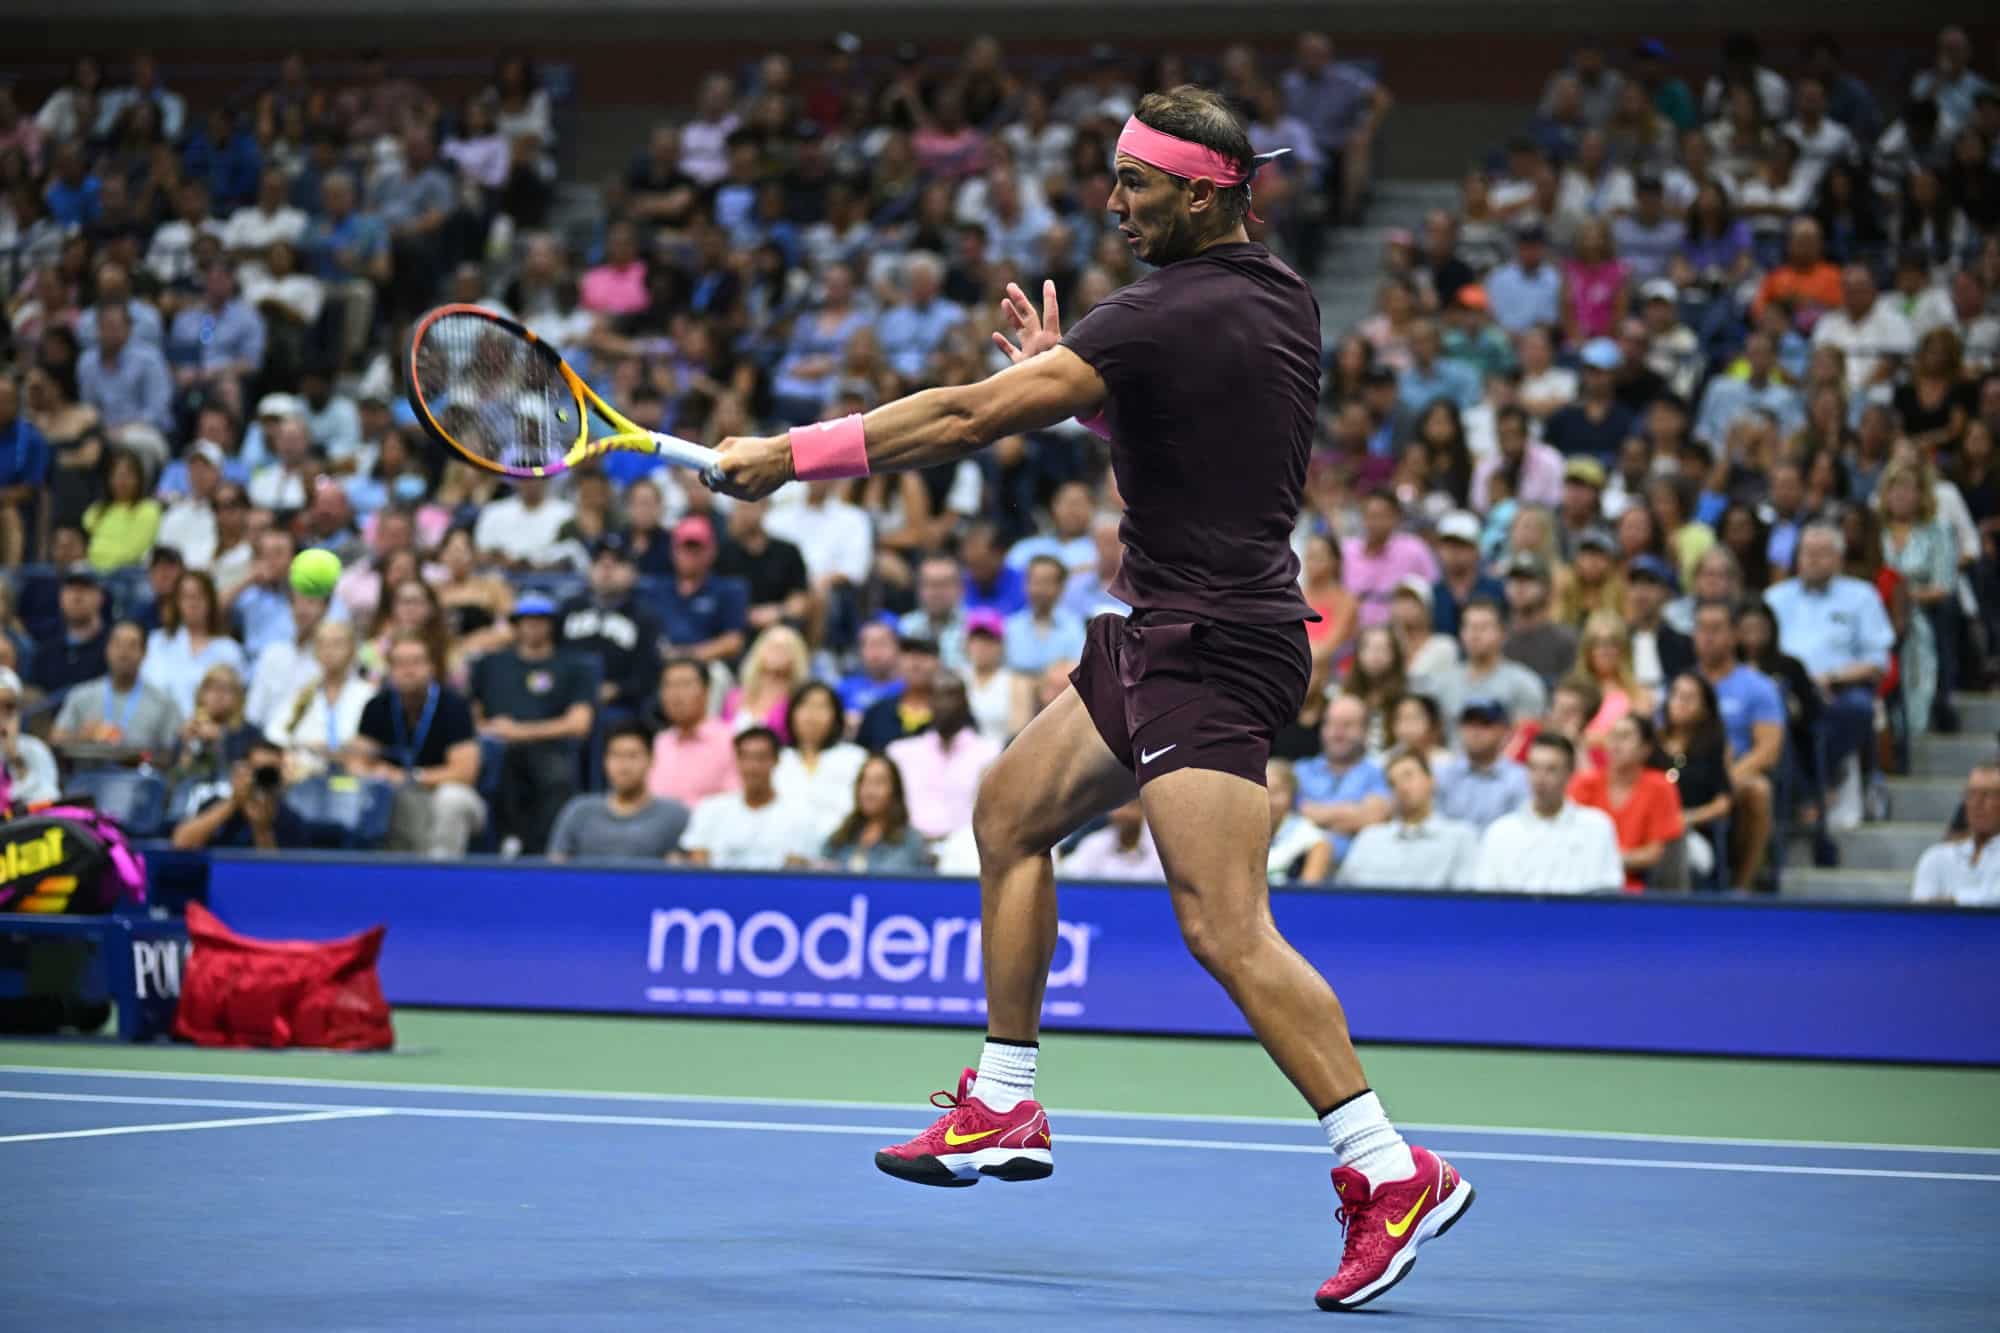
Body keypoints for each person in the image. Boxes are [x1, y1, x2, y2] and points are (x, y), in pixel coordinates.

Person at [707, 85, 1472, 1302]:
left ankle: (1386, 1168)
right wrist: (1090, 391)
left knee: (1224, 926)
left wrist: (789, 455)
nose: (1114, 204)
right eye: (1113, 178)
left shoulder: (1156, 314)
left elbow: (962, 416)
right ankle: (1002, 1102)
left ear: (1206, 191)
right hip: (1165, 626)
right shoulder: (1273, 291)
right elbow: (1196, 438)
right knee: (1010, 811)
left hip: (1212, 644)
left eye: (1138, 185)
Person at [1763, 523, 1894, 838]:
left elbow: (1878, 661)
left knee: (1860, 709)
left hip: (1835, 691)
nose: (1813, 560)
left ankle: (1807, 791)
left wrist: (1833, 677)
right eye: (1807, 552)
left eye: (1822, 553)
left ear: (1838, 558)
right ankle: (1814, 793)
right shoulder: (1775, 597)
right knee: (1772, 711)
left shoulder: (1861, 596)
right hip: (1784, 689)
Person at [470, 596, 594, 856]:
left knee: (555, 775)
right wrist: (488, 730)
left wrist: (521, 732)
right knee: (493, 767)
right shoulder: (491, 664)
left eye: (540, 621)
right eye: (526, 621)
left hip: (552, 749)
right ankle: (502, 846)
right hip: (498, 749)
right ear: (516, 625)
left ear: (551, 625)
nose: (533, 628)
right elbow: (473, 714)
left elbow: (579, 723)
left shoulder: (574, 666)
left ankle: (549, 851)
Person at [350, 631, 486, 857]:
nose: (408, 670)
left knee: (451, 798)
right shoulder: (377, 706)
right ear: (389, 669)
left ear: (431, 667)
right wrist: (374, 773)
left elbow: (465, 773)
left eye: (416, 662)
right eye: (400, 663)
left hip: (446, 795)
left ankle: (441, 877)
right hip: (397, 796)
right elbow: (356, 761)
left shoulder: (454, 705)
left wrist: (411, 777)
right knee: (375, 796)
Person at [1690, 601, 1785, 889]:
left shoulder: (1757, 686)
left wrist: (1727, 778)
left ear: (1734, 635)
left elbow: (1769, 750)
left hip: (1735, 774)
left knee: (1759, 790)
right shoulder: (1683, 683)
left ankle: (1741, 886)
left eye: (1716, 629)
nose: (1707, 636)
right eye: (1701, 629)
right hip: (1685, 773)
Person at [1471, 734, 1624, 893]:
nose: (1540, 778)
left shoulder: (1597, 827)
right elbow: (1486, 897)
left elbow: (1607, 893)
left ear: (1570, 773)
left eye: (1551, 770)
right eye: (1533, 768)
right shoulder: (1500, 832)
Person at [1568, 714, 1686, 891]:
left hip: (1633, 890)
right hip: (1579, 882)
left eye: (1625, 737)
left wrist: (1606, 860)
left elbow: (1653, 854)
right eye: (1612, 736)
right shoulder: (1584, 783)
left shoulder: (1660, 787)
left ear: (1645, 749)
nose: (1616, 744)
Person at [547, 722, 691, 863]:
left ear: (651, 759)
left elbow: (684, 876)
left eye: (632, 756)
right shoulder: (579, 812)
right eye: (615, 755)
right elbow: (555, 867)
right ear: (604, 760)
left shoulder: (675, 816)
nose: (623, 766)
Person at [1336, 750, 1478, 890]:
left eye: (1408, 776)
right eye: (1392, 783)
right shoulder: (1369, 838)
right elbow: (1344, 895)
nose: (1401, 787)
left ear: (1431, 781)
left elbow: (1467, 901)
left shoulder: (1460, 836)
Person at [681, 726, 818, 869]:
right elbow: (699, 869)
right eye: (745, 757)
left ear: (776, 760)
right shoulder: (710, 809)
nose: (753, 766)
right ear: (737, 761)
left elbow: (793, 874)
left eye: (761, 758)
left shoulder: (799, 815)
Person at [886, 672, 1001, 841]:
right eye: (937, 697)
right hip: (909, 849)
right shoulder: (901, 753)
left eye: (952, 696)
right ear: (928, 703)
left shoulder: (990, 752)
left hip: (966, 850)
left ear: (966, 703)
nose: (944, 705)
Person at [51, 619, 181, 758]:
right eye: (117, 644)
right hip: (89, 774)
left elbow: (170, 753)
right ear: (107, 649)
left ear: (144, 653)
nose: (124, 653)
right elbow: (56, 739)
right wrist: (81, 737)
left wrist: (138, 757)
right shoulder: (81, 695)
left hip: (142, 776)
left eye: (132, 646)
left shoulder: (163, 702)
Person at [264, 619, 372, 781]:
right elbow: (276, 733)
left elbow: (370, 745)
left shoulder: (368, 694)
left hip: (353, 777)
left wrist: (335, 751)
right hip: (306, 778)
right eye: (322, 644)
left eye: (337, 644)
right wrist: (294, 752)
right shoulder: (303, 694)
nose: (329, 651)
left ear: (352, 650)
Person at [1424, 598, 1547, 736]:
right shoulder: (1440, 684)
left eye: (1483, 627)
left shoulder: (1524, 684)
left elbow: (1525, 738)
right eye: (1468, 626)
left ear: (1503, 633)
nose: (1474, 634)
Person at [1657, 672, 1735, 889]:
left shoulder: (1713, 746)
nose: (1679, 703)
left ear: (1705, 707)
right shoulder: (1650, 743)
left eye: (1689, 698)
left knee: (1679, 856)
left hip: (1690, 833)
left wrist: (1686, 818)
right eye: (1675, 695)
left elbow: (1723, 803)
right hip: (1649, 832)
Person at [167, 733, 309, 852]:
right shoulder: (215, 804)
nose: (262, 777)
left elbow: (279, 873)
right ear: (242, 769)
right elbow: (181, 843)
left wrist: (261, 829)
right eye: (257, 770)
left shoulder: (290, 820)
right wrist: (234, 802)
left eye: (269, 772)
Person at [142, 570, 247, 716]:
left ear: (210, 601)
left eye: (199, 596)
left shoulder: (229, 649)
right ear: (176, 602)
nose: (193, 602)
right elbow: (147, 692)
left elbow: (237, 704)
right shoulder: (157, 642)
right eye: (186, 596)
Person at [774, 680, 869, 841]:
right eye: (804, 705)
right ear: (791, 713)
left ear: (836, 715)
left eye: (822, 707)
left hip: (841, 846)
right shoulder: (777, 759)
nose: (812, 715)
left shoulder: (856, 758)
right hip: (782, 849)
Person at [646, 657, 737, 807]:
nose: (676, 694)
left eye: (685, 685)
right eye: (669, 686)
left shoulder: (729, 742)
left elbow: (735, 803)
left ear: (706, 691)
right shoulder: (659, 743)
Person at [820, 753, 933, 873]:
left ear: (895, 790)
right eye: (864, 782)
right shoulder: (841, 836)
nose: (869, 791)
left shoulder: (911, 840)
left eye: (878, 783)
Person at [1432, 698, 1532, 831]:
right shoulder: (1442, 775)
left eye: (1485, 724)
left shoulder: (1520, 779)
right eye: (1469, 724)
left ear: (1504, 730)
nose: (1475, 732)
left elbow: (1521, 829)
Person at [1911, 764, 2000, 906]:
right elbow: (1922, 914)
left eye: (1988, 795)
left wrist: (1953, 902)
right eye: (1971, 794)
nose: (1977, 803)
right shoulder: (1936, 858)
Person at [1265, 757, 1334, 884]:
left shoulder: (1314, 841)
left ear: (1292, 796)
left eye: (1276, 792)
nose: (1268, 800)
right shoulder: (1234, 835)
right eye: (1262, 791)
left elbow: (1305, 896)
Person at [0, 668, 60, 804]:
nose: (2, 716)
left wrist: (16, 760)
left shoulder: (34, 749)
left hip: (27, 824)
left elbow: (50, 800)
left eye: (9, 707)